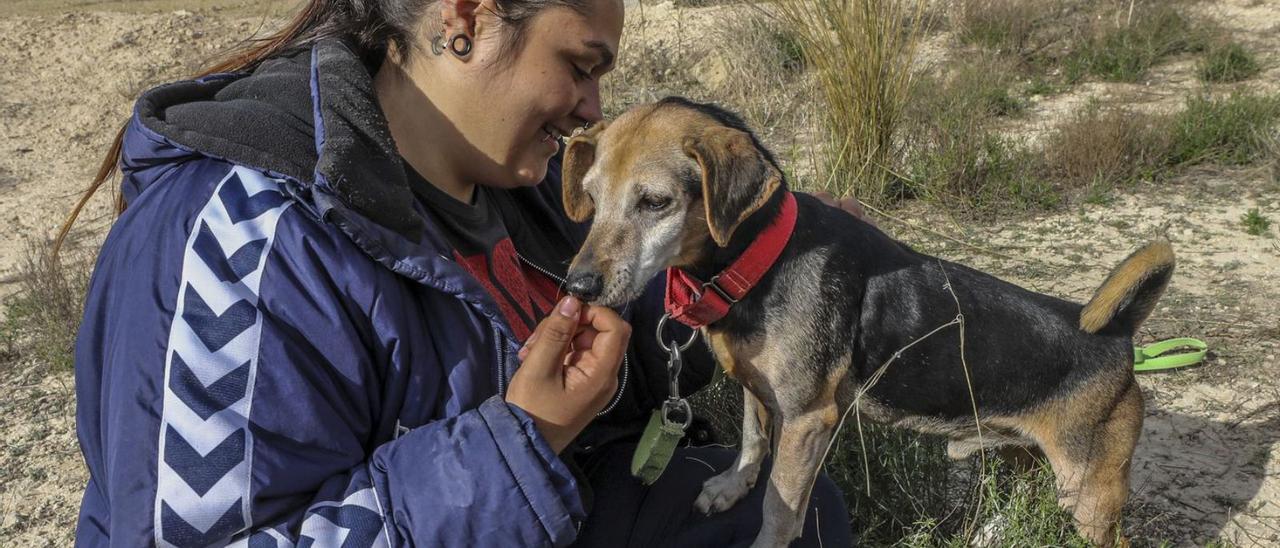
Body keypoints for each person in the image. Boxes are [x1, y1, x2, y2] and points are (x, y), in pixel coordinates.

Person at [68, 0, 864, 545]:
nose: (593, 107)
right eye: (580, 65)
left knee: (794, 513)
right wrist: (521, 442)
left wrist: (753, 279)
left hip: (546, 506)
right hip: (503, 503)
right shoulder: (250, 239)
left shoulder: (516, 190)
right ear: (466, 20)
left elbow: (633, 339)